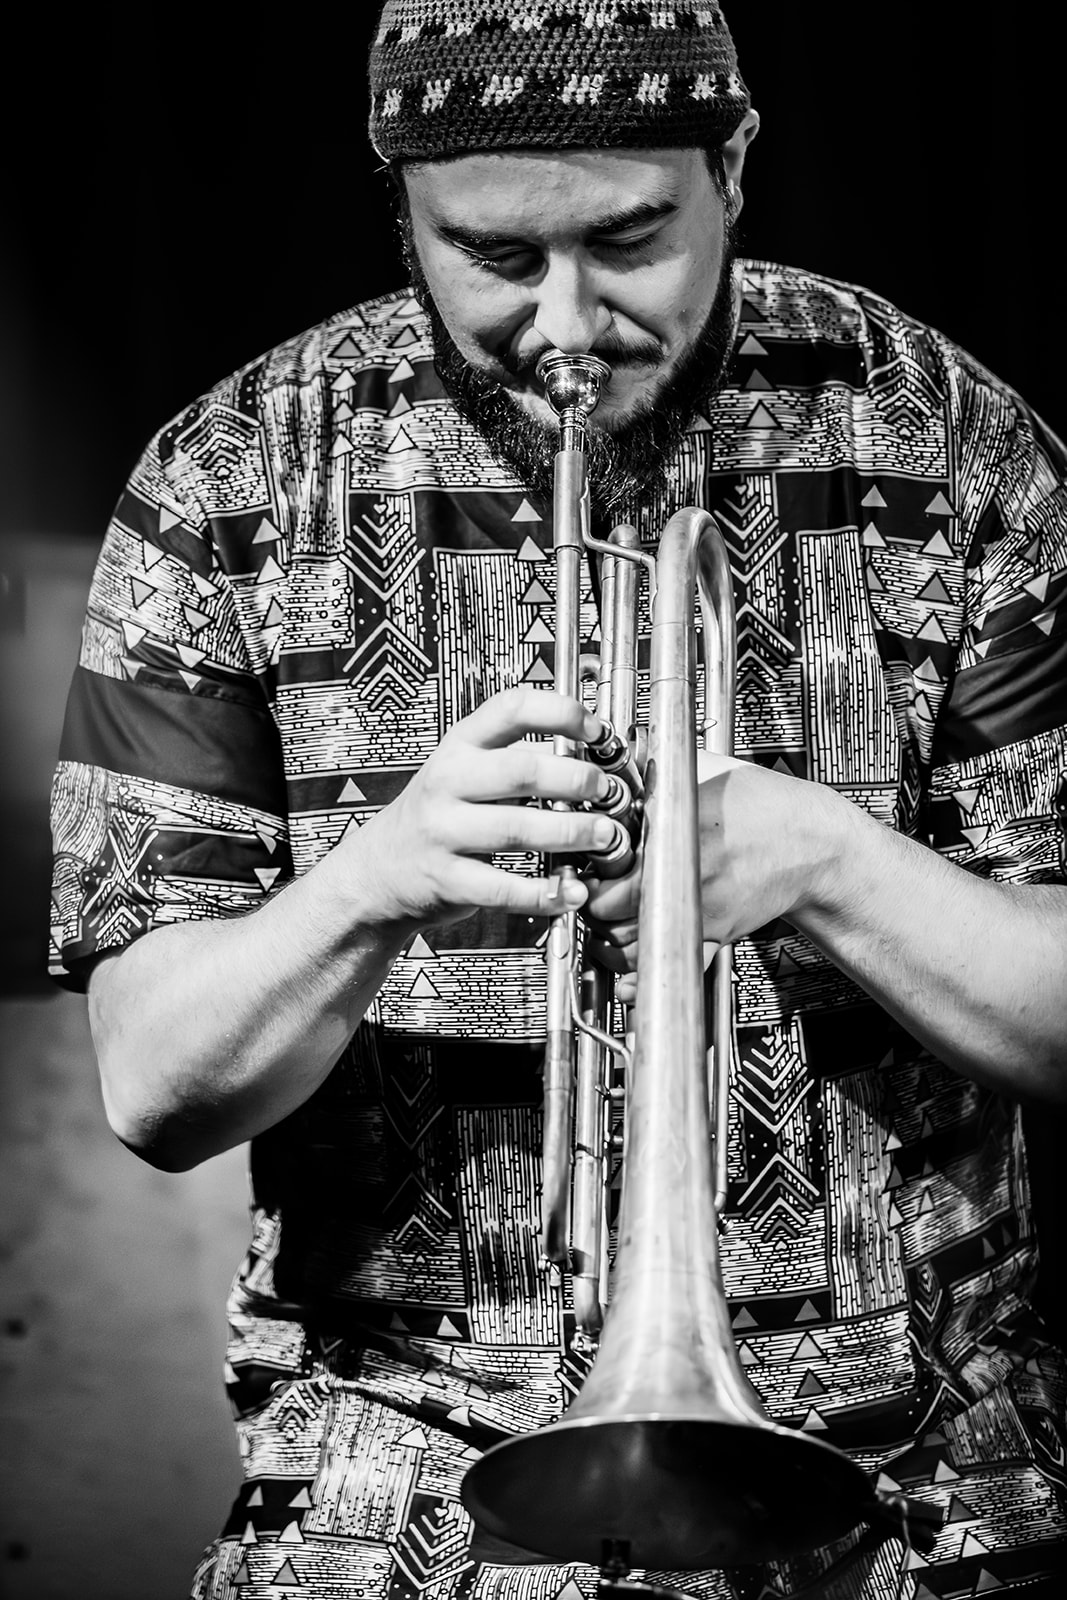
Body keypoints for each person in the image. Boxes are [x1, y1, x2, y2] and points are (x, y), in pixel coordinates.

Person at [49, 3, 1066, 1596]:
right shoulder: (226, 479)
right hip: (395, 1476)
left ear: (735, 165)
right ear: (402, 209)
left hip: (920, 1474)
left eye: (632, 239)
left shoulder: (952, 441)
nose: (570, 324)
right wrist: (375, 881)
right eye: (497, 258)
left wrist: (830, 862)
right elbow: (154, 1090)